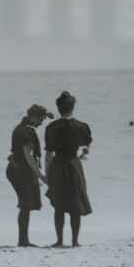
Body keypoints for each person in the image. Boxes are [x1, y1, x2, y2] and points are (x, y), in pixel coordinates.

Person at [43, 90, 93, 247]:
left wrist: (47, 174)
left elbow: (49, 155)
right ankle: (75, 241)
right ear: (73, 107)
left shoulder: (52, 127)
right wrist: (84, 153)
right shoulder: (81, 126)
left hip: (58, 165)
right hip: (74, 164)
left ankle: (59, 241)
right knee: (75, 205)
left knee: (59, 204)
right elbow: (87, 144)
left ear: (58, 108)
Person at [6, 103, 52, 247]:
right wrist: (41, 175)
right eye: (40, 118)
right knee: (25, 203)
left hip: (18, 168)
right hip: (19, 170)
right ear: (32, 117)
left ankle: (23, 239)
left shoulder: (23, 128)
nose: (42, 122)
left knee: (26, 203)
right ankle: (23, 240)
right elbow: (29, 156)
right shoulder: (26, 132)